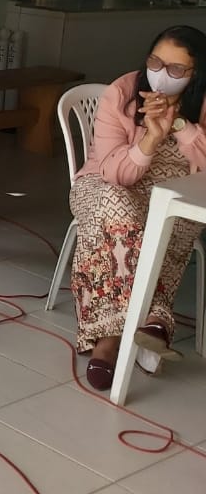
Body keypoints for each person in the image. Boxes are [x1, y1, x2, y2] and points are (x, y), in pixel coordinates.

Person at [69, 26, 206, 390]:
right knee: (115, 205)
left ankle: (109, 339)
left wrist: (180, 124)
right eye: (155, 62)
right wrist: (150, 138)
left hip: (173, 190)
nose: (161, 75)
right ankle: (149, 321)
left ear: (196, 74)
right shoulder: (123, 91)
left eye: (176, 70)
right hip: (103, 184)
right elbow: (113, 173)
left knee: (173, 217)